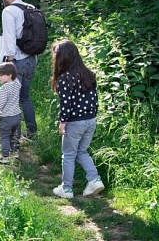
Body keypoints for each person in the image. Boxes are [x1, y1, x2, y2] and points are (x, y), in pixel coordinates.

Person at [50, 39, 105, 199]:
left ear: (62, 58)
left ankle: (66, 189)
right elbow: (94, 99)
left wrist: (62, 123)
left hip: (74, 122)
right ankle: (94, 180)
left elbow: (66, 104)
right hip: (90, 120)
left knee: (68, 154)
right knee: (82, 151)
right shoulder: (89, 74)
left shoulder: (65, 78)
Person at [0, 0, 37, 141]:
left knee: (12, 100)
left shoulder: (9, 11)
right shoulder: (31, 8)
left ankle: (15, 137)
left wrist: (10, 62)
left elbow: (9, 37)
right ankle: (32, 133)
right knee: (25, 98)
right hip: (32, 59)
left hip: (17, 61)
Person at [0, 62, 22, 164]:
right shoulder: (17, 83)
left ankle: (5, 157)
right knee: (13, 135)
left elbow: (1, 102)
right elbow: (16, 79)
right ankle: (13, 151)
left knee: (5, 136)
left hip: (6, 117)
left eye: (2, 75)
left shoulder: (4, 88)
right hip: (17, 115)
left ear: (10, 75)